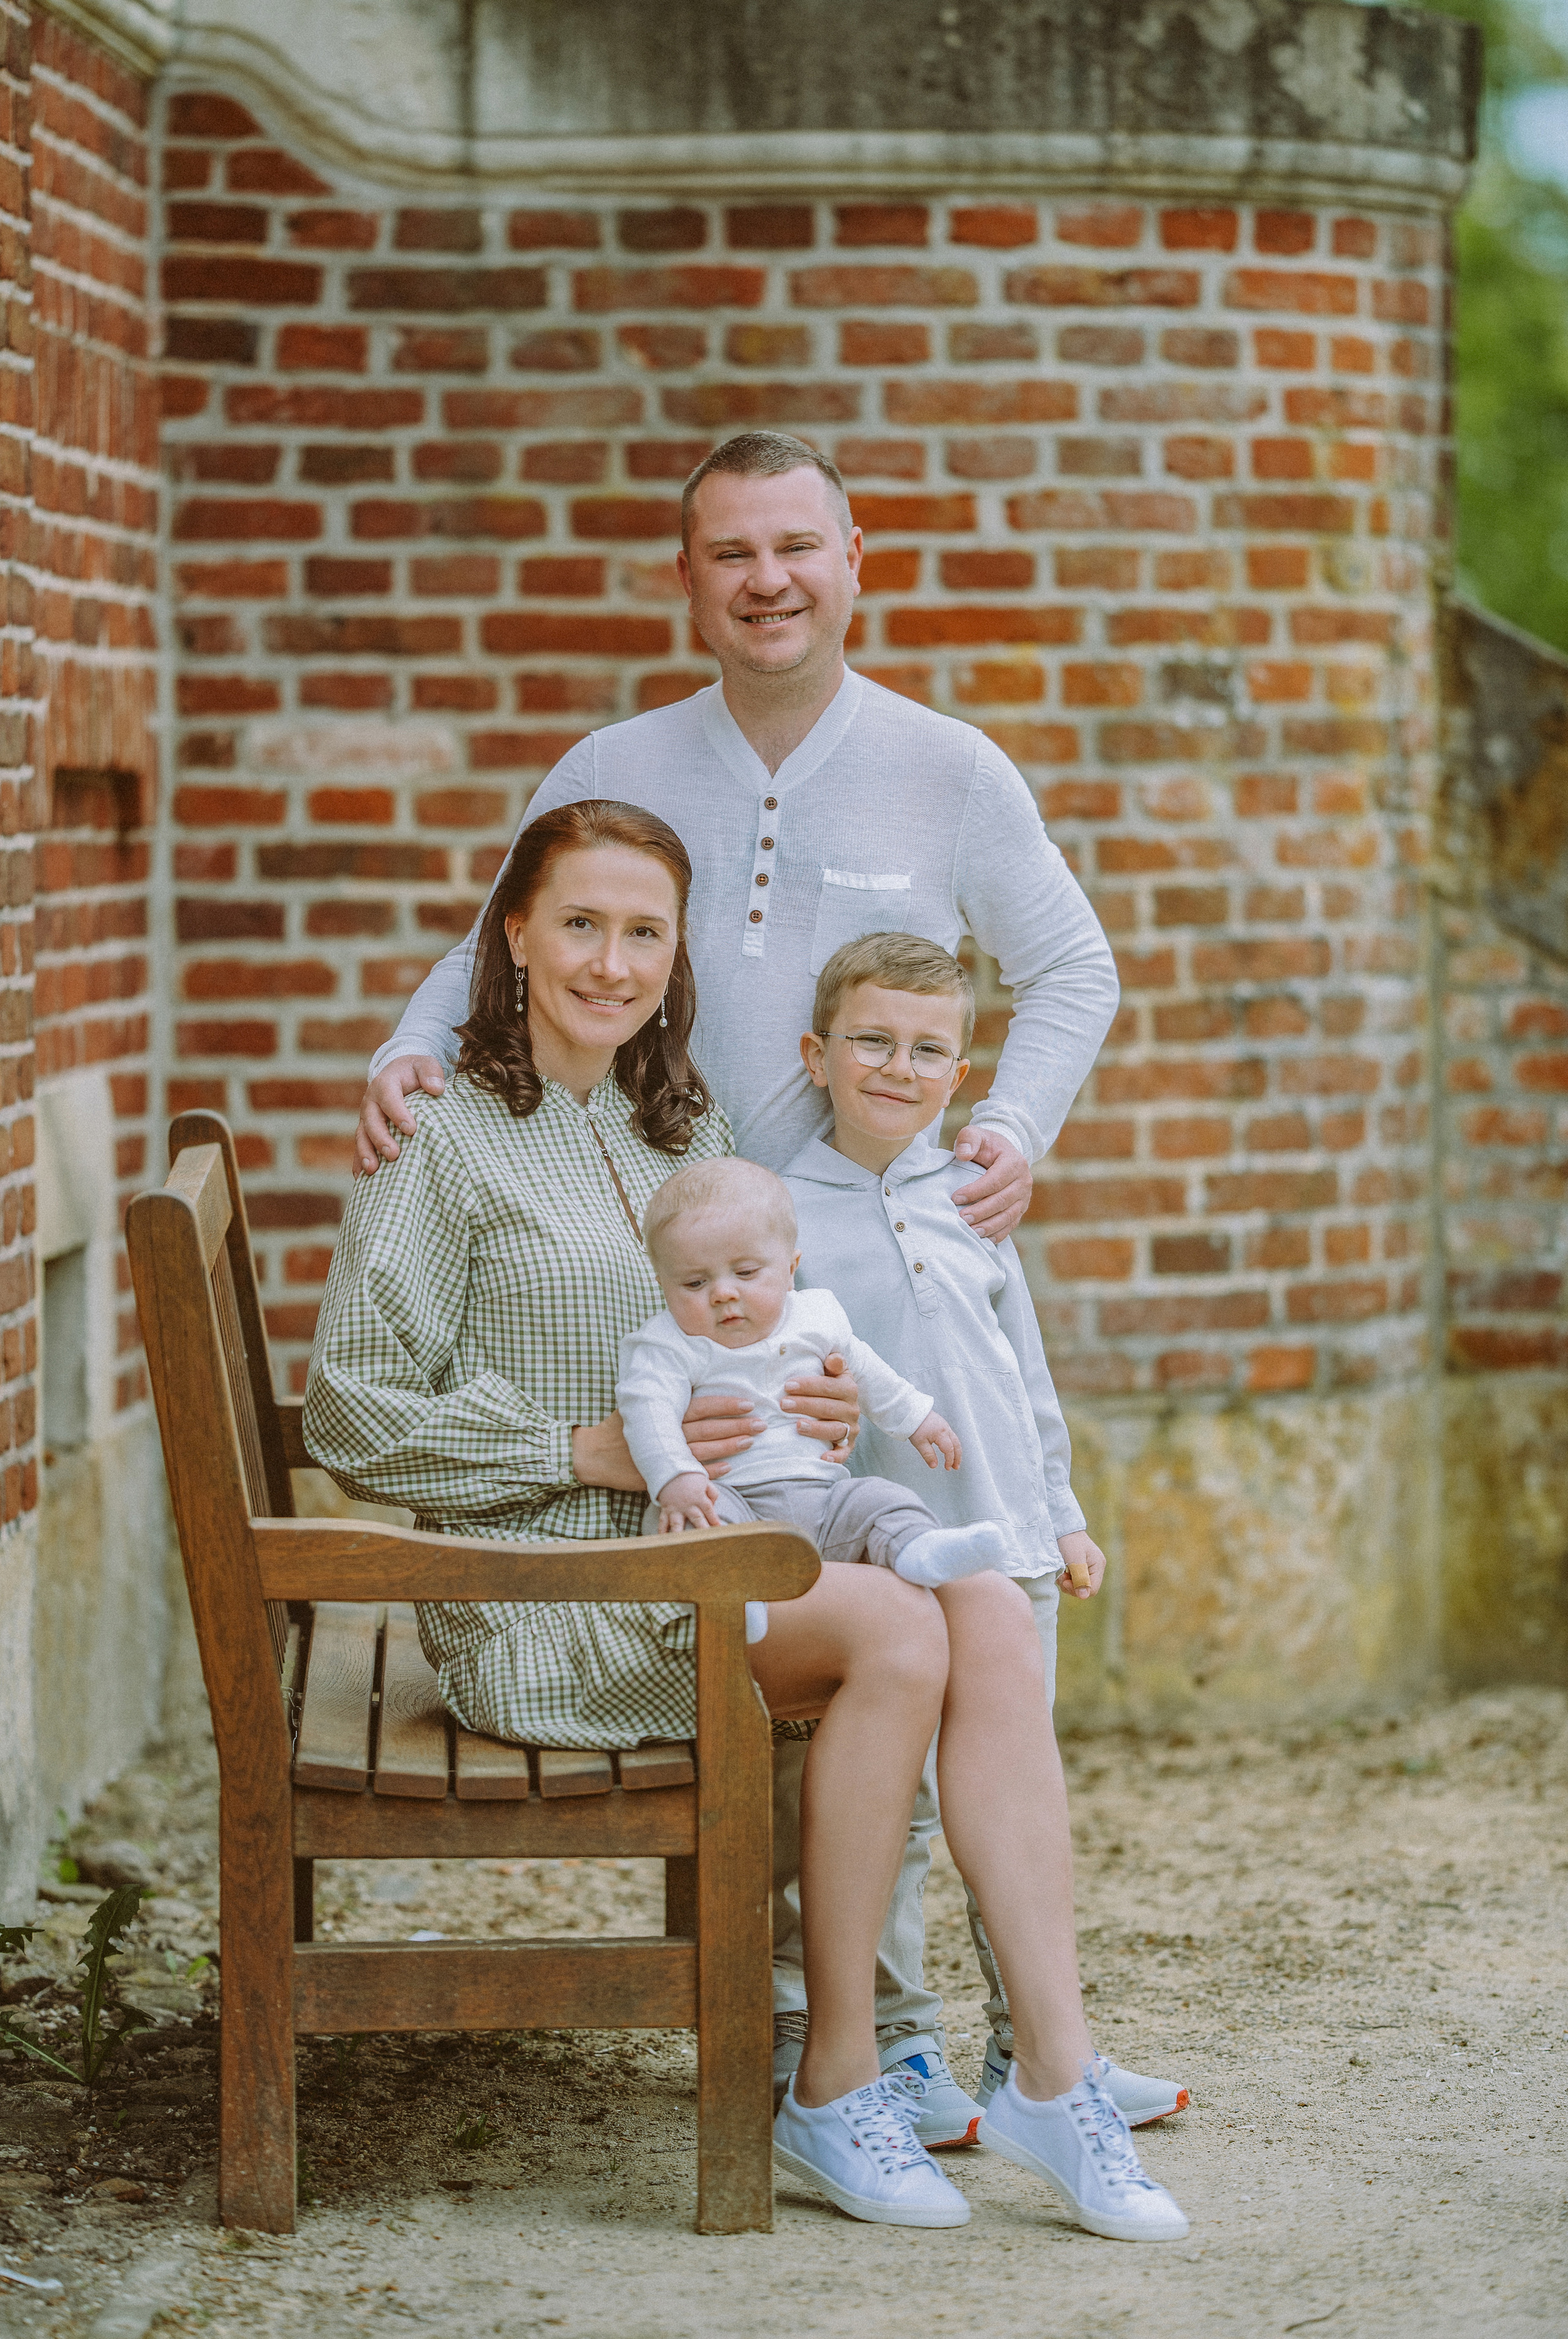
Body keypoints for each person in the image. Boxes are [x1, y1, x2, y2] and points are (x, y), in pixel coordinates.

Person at [349, 426, 1127, 2136]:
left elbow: (1071, 966)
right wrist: (413, 1055)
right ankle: (866, 2028)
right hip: (714, 1298)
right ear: (687, 577)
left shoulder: (948, 768)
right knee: (851, 1633)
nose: (767, 580)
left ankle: (1008, 2030)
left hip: (891, 1270)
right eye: (730, 552)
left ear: (858, 560)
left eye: (799, 546)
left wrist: (1013, 1121)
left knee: (975, 1622)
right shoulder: (617, 760)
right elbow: (498, 937)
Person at [307, 798, 1190, 2239]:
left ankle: (1048, 2063)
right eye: (578, 923)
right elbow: (348, 1408)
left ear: (675, 954)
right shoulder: (441, 1138)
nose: (608, 960)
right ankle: (838, 2074)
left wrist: (813, 1409)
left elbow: (752, 1344)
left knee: (982, 1607)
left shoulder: (683, 1126)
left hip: (704, 1553)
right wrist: (584, 1446)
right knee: (904, 1629)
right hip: (549, 1601)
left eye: (642, 930)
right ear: (512, 934)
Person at [783, 931, 1189, 2129]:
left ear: (961, 1073)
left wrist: (1055, 1511)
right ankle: (903, 2048)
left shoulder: (969, 1197)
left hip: (1007, 1544)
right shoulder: (782, 1211)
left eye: (926, 1048)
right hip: (890, 1562)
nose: (896, 1066)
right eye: (870, 1040)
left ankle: (1036, 2046)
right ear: (816, 1053)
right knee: (895, 1809)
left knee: (1016, 1795)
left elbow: (1024, 1376)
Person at [619, 1154, 1017, 1606]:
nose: (723, 1292)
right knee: (691, 1525)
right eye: (694, 1283)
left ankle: (918, 1549)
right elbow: (648, 1412)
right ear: (663, 1284)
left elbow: (865, 1368)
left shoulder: (816, 1314)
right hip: (732, 1500)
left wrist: (916, 1416)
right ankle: (732, 1604)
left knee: (880, 1499)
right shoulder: (667, 1345)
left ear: (791, 1266)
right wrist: (676, 1477)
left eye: (746, 1273)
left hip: (826, 1502)